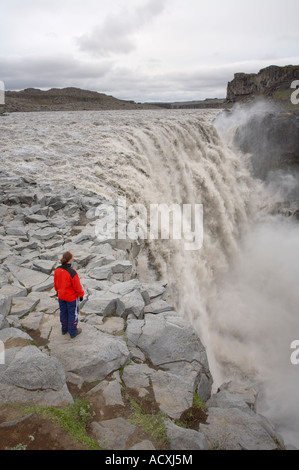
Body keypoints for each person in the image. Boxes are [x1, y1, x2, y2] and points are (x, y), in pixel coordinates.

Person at [54, 251, 85, 338]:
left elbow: (56, 283)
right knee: (72, 314)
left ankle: (64, 329)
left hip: (61, 296)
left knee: (63, 312)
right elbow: (77, 287)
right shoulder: (72, 272)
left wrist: (57, 291)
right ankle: (73, 332)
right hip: (71, 298)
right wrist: (81, 295)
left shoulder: (57, 270)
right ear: (70, 260)